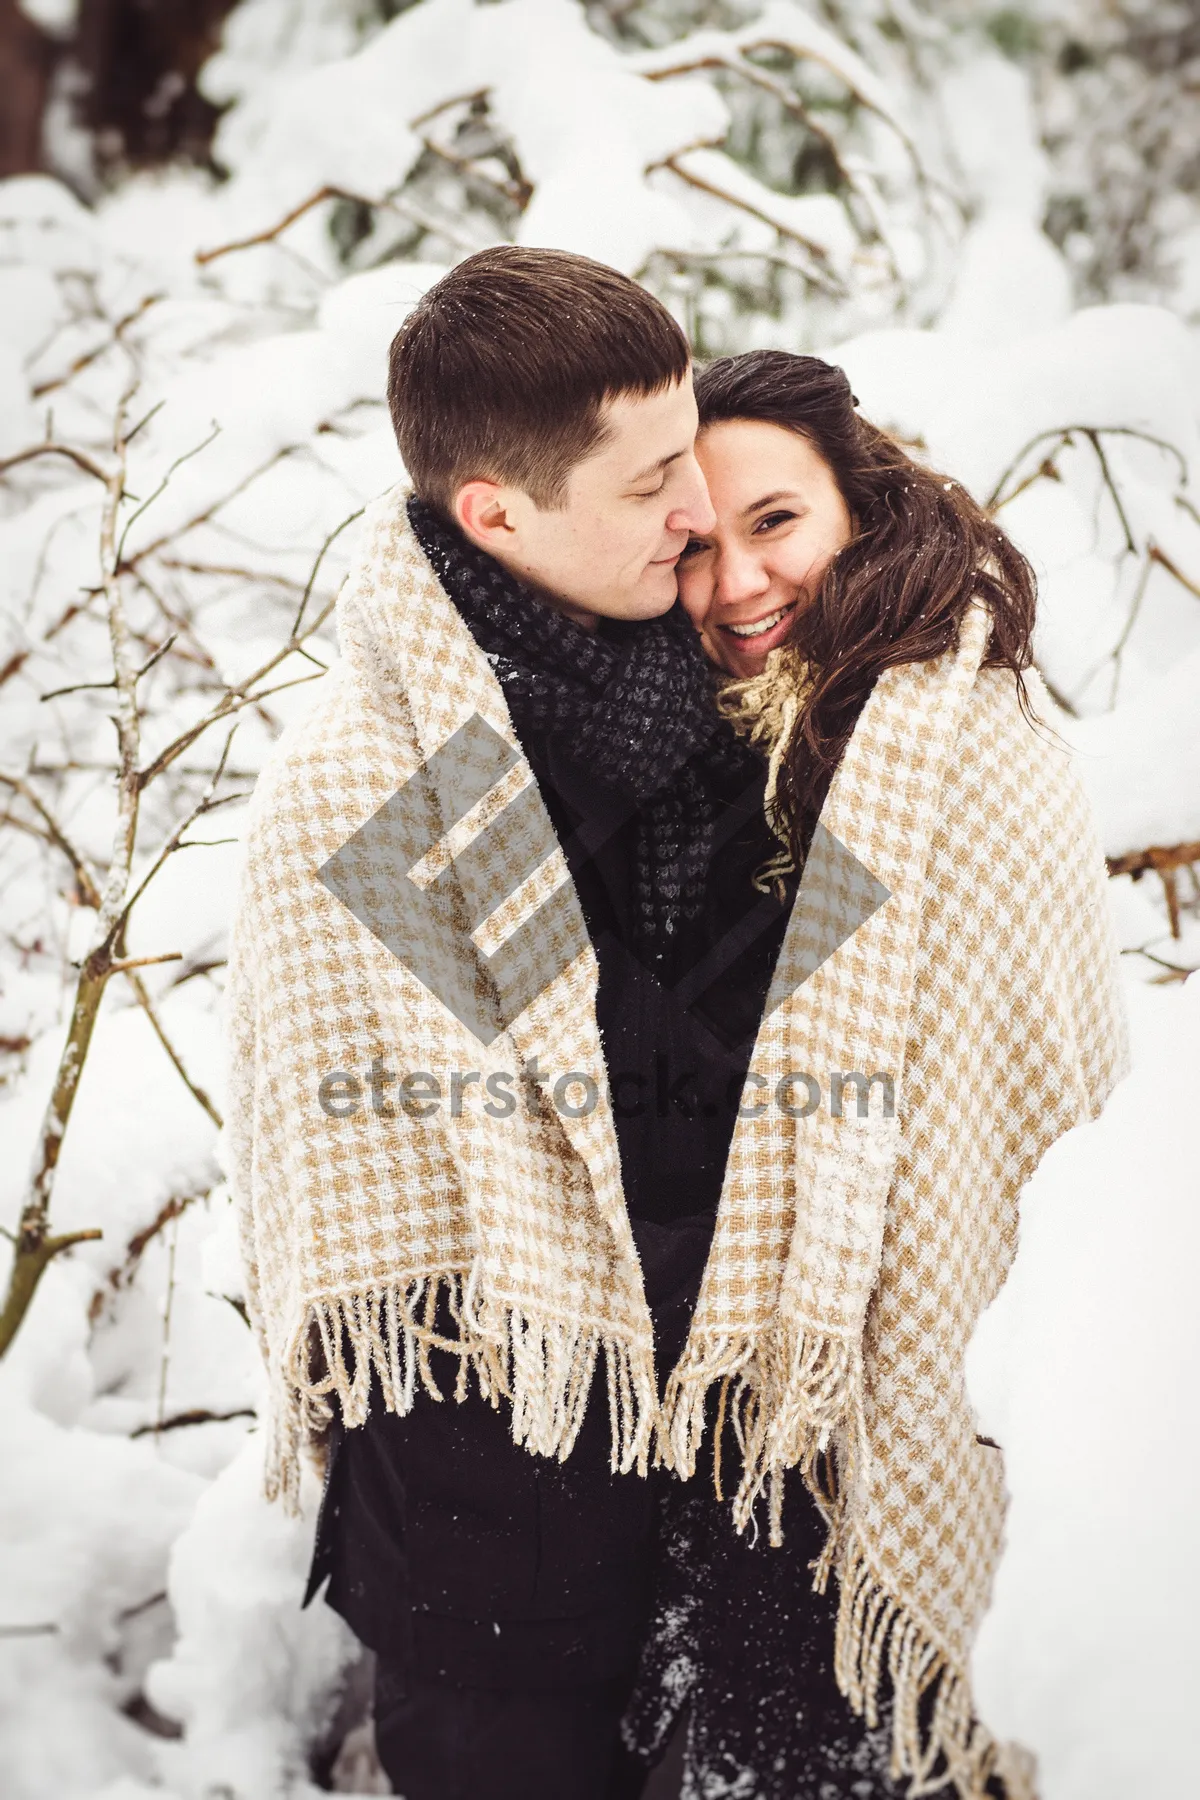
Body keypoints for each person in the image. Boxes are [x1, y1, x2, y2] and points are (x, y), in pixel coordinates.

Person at [221, 248, 797, 1800]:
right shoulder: (379, 797)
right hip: (501, 1553)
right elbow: (609, 1125)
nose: (700, 500)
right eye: (654, 474)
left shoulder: (716, 677)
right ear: (497, 515)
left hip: (729, 1488)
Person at [612, 350, 1133, 1800]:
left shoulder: (960, 754)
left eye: (775, 522)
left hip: (891, 1373)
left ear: (863, 500)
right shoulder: (716, 751)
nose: (736, 587)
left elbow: (1019, 1095)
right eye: (699, 546)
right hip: (722, 1381)